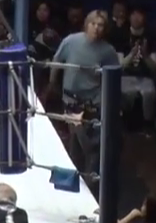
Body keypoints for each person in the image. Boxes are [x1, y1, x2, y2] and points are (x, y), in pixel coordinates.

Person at [47, 10, 122, 174]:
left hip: (93, 101)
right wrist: (52, 83)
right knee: (75, 140)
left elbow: (114, 75)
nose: (96, 28)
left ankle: (90, 178)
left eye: (100, 25)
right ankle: (76, 174)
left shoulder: (107, 51)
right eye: (93, 24)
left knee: (91, 145)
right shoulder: (71, 41)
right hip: (71, 99)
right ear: (87, 24)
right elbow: (57, 61)